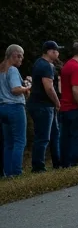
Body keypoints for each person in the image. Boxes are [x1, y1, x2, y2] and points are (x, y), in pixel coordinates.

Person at [29, 40, 63, 172]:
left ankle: (57, 162)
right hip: (42, 105)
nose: (58, 53)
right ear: (50, 52)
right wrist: (57, 102)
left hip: (43, 105)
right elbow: (49, 88)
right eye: (56, 51)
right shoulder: (46, 66)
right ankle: (38, 167)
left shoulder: (39, 63)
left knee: (54, 134)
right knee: (43, 137)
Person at [0, 44, 30, 177]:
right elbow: (15, 89)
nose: (21, 59)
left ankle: (7, 172)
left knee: (8, 143)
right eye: (21, 56)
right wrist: (27, 88)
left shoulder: (1, 68)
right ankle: (16, 172)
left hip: (2, 107)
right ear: (15, 55)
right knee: (19, 141)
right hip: (15, 107)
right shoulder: (12, 69)